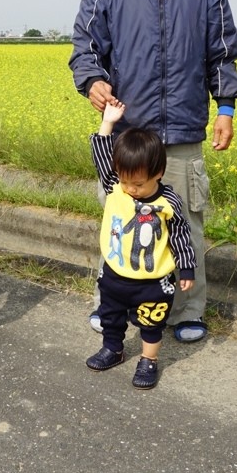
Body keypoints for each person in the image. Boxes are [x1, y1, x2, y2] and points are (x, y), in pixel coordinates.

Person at [69, 0, 237, 343]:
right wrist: (93, 81)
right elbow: (84, 49)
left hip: (183, 133)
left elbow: (222, 54)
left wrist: (225, 108)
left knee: (186, 226)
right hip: (129, 138)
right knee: (120, 225)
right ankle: (113, 305)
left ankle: (187, 311)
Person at [87, 101, 195, 388]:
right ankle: (113, 349)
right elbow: (101, 155)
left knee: (151, 323)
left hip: (153, 281)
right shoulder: (116, 187)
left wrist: (186, 268)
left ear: (158, 173)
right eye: (126, 182)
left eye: (138, 184)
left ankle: (149, 360)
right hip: (114, 274)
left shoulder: (168, 202)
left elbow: (181, 235)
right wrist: (108, 122)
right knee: (110, 317)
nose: (130, 189)